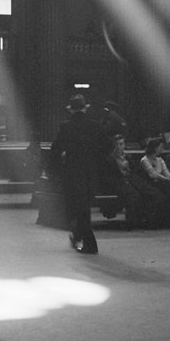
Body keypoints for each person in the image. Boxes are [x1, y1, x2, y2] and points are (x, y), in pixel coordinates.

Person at [50, 94, 110, 254]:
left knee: (77, 209)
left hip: (72, 173)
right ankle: (78, 236)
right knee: (84, 208)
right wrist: (96, 158)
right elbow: (108, 146)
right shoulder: (95, 126)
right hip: (90, 173)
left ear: (71, 110)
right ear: (85, 108)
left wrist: (55, 169)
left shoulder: (66, 127)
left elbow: (55, 150)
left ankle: (90, 244)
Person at [138, 137, 170, 227]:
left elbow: (167, 173)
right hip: (150, 184)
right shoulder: (144, 160)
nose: (162, 149)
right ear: (155, 148)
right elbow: (153, 174)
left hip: (161, 183)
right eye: (160, 147)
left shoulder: (160, 160)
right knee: (169, 189)